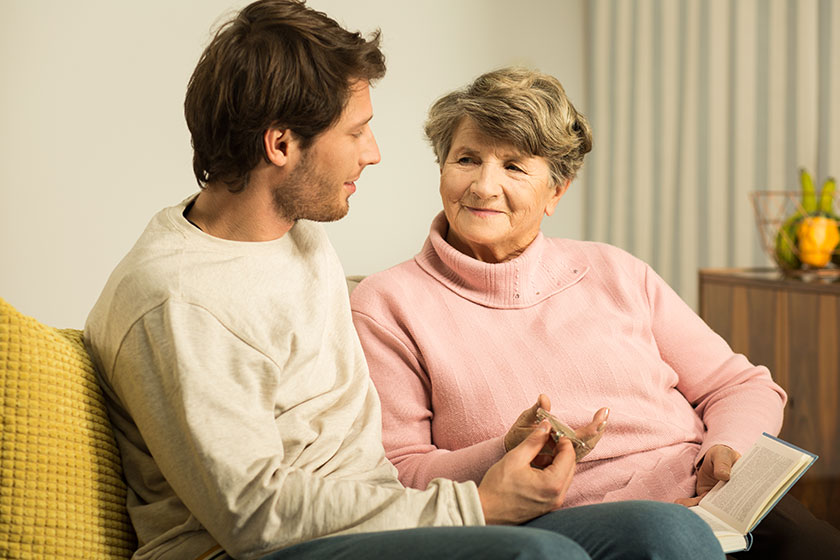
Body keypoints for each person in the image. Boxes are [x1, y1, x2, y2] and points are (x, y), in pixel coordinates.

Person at [85, 2, 726, 559]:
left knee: (666, 532)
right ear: (281, 145)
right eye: (356, 131)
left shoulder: (297, 237)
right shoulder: (178, 301)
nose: (374, 152)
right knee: (539, 554)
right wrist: (472, 508)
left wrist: (488, 467)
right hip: (264, 551)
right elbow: (253, 517)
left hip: (375, 523)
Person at [349, 66, 840, 559]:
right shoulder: (387, 304)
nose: (482, 185)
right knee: (666, 536)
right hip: (575, 524)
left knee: (818, 545)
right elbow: (400, 474)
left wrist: (724, 451)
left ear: (556, 192)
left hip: (708, 497)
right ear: (442, 168)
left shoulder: (614, 270)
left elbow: (740, 385)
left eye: (515, 166)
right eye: (466, 159)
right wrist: (504, 451)